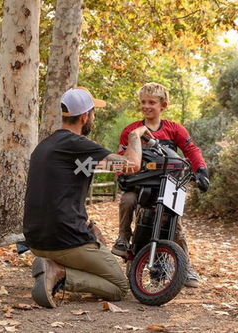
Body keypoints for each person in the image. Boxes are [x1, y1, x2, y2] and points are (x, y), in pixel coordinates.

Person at [22, 87, 152, 308]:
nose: (93, 117)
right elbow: (132, 165)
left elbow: (64, 189)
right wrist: (134, 135)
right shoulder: (77, 145)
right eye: (93, 113)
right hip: (64, 240)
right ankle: (60, 272)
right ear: (84, 116)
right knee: (120, 287)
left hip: (36, 239)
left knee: (97, 248)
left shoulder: (46, 146)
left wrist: (88, 223)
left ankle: (53, 265)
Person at [111, 82, 210, 288]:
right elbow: (122, 156)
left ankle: (185, 267)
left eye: (152, 102)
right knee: (127, 200)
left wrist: (201, 170)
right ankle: (123, 238)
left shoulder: (174, 129)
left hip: (168, 185)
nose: (146, 106)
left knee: (177, 226)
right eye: (143, 102)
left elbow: (191, 150)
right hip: (141, 183)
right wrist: (121, 173)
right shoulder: (131, 130)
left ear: (162, 105)